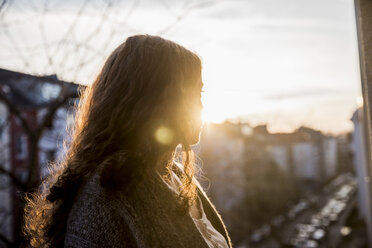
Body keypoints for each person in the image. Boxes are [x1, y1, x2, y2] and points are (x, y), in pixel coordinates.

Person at [24, 35, 232, 248]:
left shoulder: (175, 175)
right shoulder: (108, 192)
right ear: (159, 101)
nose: (202, 106)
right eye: (196, 93)